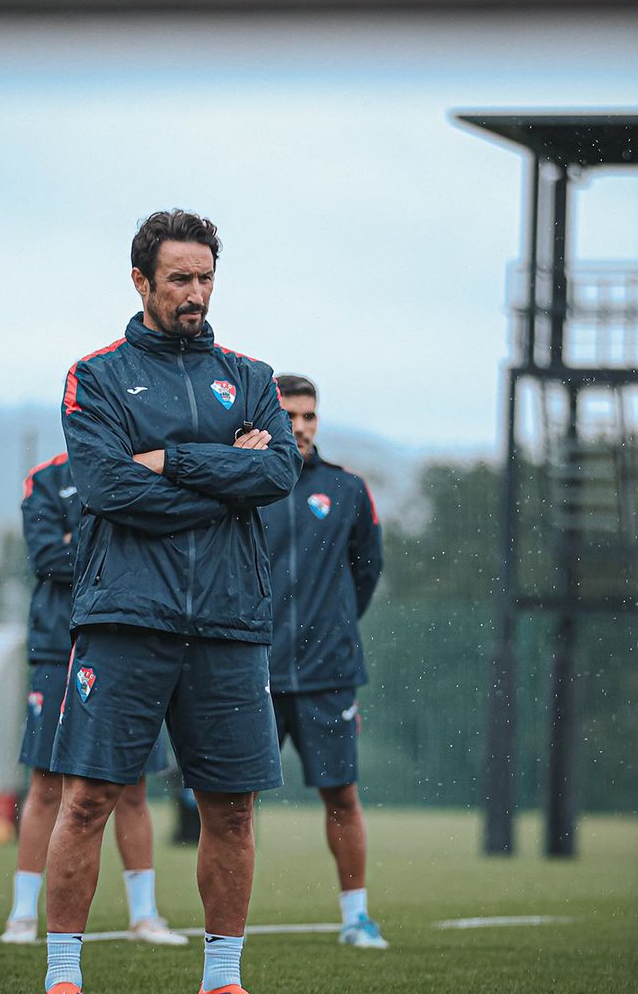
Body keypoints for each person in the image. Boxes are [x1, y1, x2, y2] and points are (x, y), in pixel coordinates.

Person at [44, 209, 301, 994]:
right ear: (141, 282)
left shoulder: (252, 377)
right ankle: (62, 977)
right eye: (180, 279)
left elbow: (279, 474)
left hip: (229, 623)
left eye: (206, 277)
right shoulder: (96, 375)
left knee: (231, 810)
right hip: (125, 620)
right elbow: (111, 489)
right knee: (87, 801)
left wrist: (177, 462)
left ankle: (221, 979)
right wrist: (227, 477)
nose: (196, 293)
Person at [0, 452, 186, 947]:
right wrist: (118, 538)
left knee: (134, 788)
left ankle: (145, 916)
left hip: (131, 646)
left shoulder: (142, 467)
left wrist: (94, 541)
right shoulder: (44, 478)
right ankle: (21, 915)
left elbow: (158, 542)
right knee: (47, 783)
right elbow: (48, 559)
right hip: (60, 649)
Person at [261, 374, 388, 949]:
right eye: (289, 416)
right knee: (232, 799)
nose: (301, 427)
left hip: (327, 672)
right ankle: (226, 928)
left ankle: (356, 918)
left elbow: (366, 572)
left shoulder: (347, 490)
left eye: (309, 416)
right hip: (251, 671)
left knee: (341, 794)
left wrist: (330, 625)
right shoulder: (243, 487)